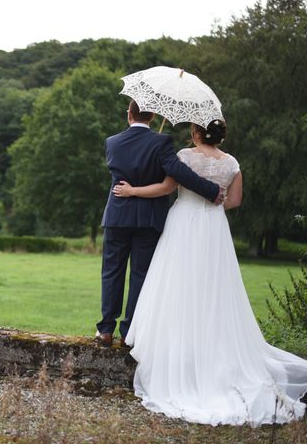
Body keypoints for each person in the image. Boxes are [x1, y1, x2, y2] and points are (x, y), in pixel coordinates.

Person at [114, 121, 307, 425]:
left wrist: (133, 190)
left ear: (195, 133)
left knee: (178, 285)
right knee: (214, 289)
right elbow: (235, 201)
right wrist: (210, 208)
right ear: (222, 136)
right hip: (214, 228)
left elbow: (166, 188)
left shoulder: (184, 157)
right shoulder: (232, 163)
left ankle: (175, 349)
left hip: (184, 224)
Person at [96, 100, 224, 348]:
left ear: (128, 115)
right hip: (149, 219)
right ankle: (129, 332)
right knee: (140, 275)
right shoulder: (161, 143)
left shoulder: (111, 143)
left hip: (117, 216)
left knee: (112, 272)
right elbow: (179, 172)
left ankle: (105, 330)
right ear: (153, 115)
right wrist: (211, 190)